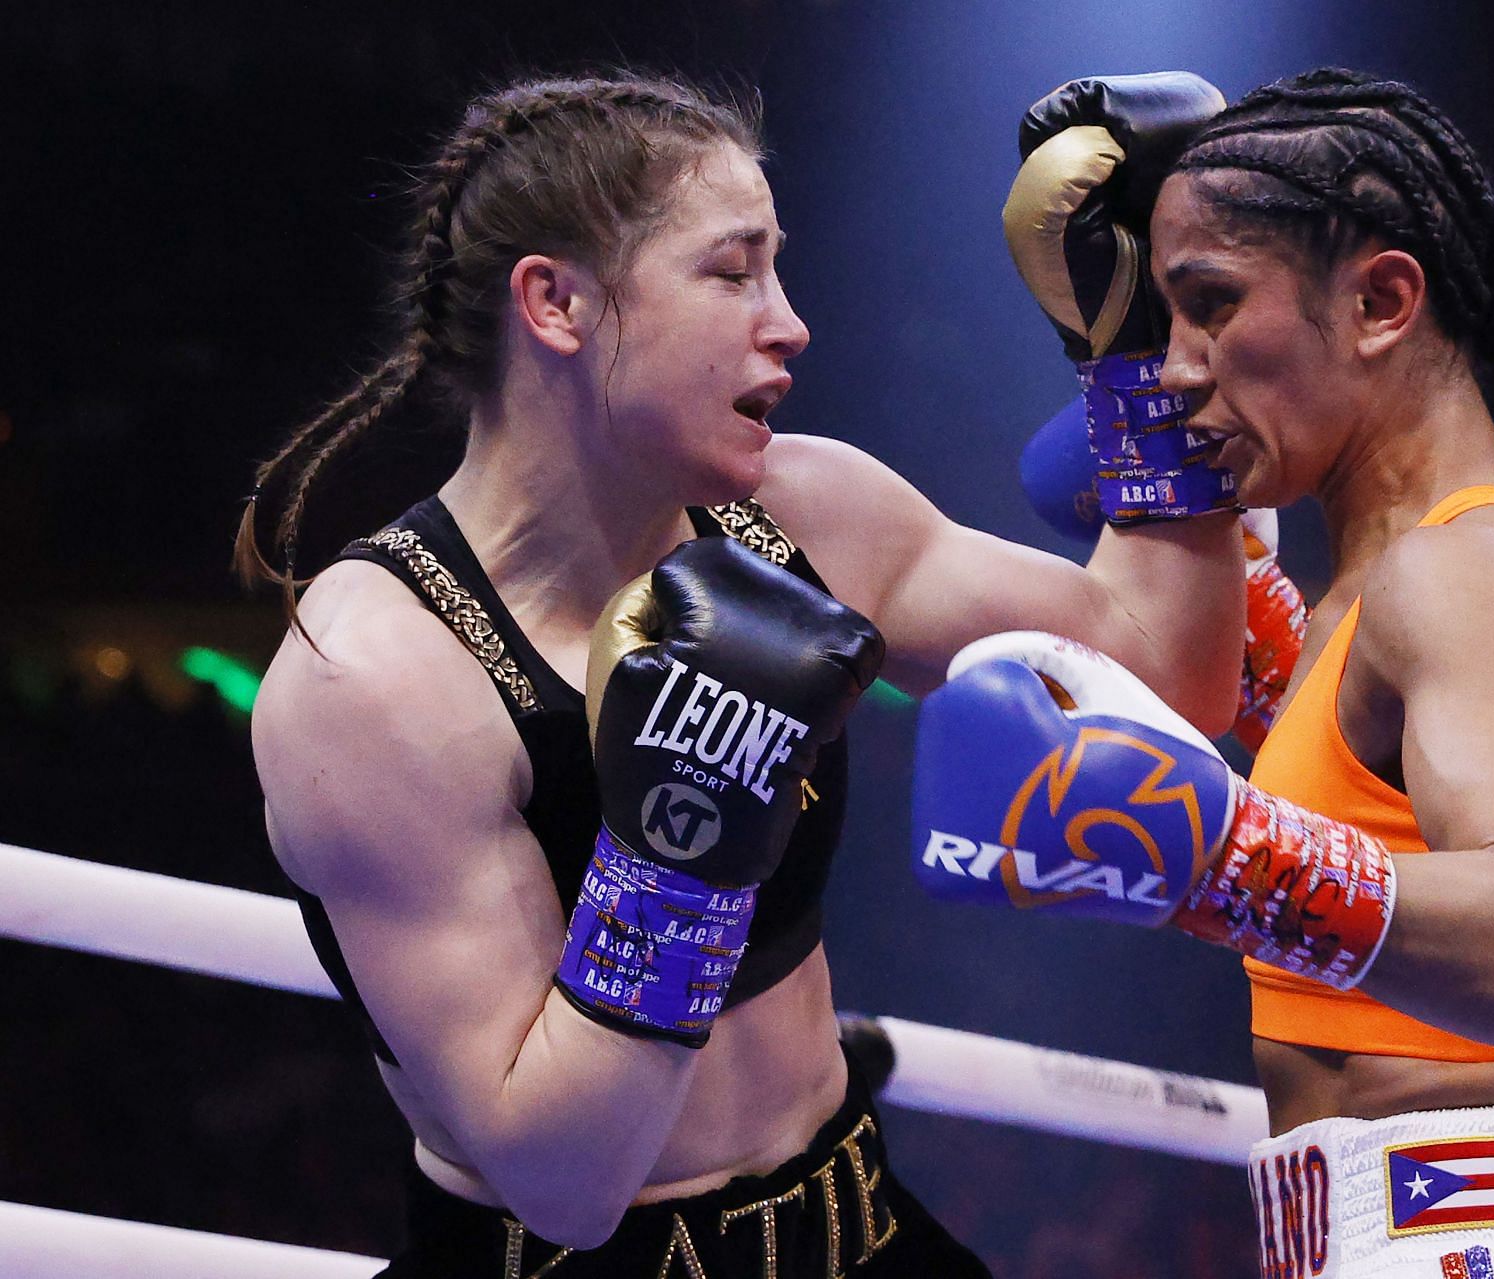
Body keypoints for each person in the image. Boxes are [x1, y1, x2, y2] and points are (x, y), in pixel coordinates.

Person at [239, 72, 1243, 1276]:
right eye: (731, 270)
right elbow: (564, 1182)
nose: (788, 320)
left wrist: (1142, 353)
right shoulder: (378, 675)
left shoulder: (802, 510)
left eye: (777, 266)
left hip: (856, 1222)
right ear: (555, 302)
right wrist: (678, 852)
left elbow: (1167, 675)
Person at [913, 68, 1494, 1276]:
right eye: (1168, 320)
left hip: (1471, 1235)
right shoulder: (1400, 591)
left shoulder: (1470, 572)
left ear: (1379, 301)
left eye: (1211, 305)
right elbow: (1296, 720)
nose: (1177, 363)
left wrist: (1214, 854)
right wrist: (1113, 374)